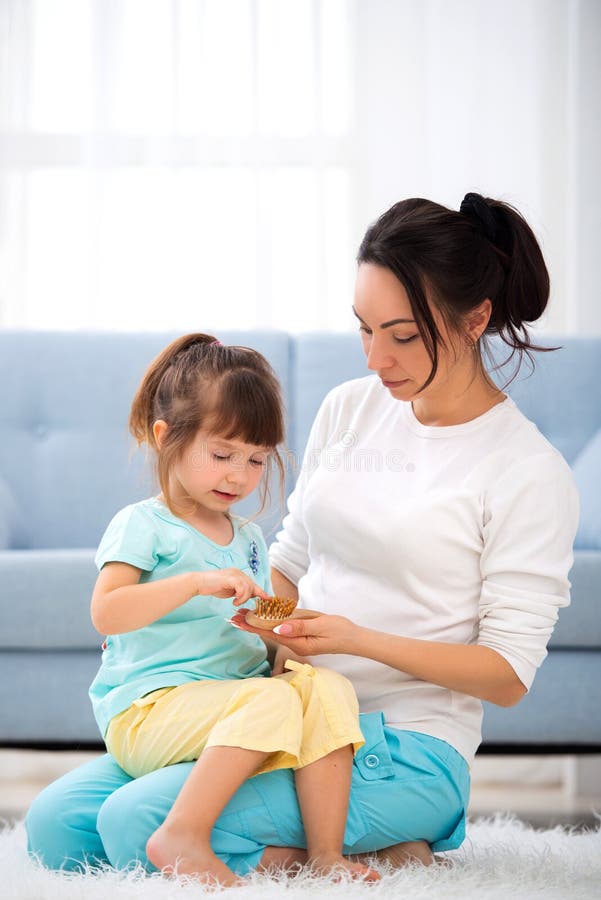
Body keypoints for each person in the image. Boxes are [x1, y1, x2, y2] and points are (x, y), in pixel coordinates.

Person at [26, 193, 579, 878]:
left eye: (401, 335)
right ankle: (371, 852)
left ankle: (370, 845)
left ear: (474, 321)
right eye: (363, 329)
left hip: (402, 745)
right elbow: (284, 562)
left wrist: (351, 640)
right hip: (284, 714)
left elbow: (505, 675)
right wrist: (197, 614)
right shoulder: (350, 407)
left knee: (135, 821)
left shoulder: (524, 470)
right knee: (54, 827)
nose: (376, 359)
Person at [82, 332, 376, 886]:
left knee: (329, 687)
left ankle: (325, 854)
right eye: (222, 455)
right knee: (269, 702)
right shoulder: (143, 524)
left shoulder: (246, 538)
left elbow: (257, 623)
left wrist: (285, 635)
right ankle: (182, 835)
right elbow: (107, 613)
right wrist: (194, 583)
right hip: (151, 710)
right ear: (166, 437)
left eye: (256, 460)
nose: (239, 476)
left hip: (228, 705)